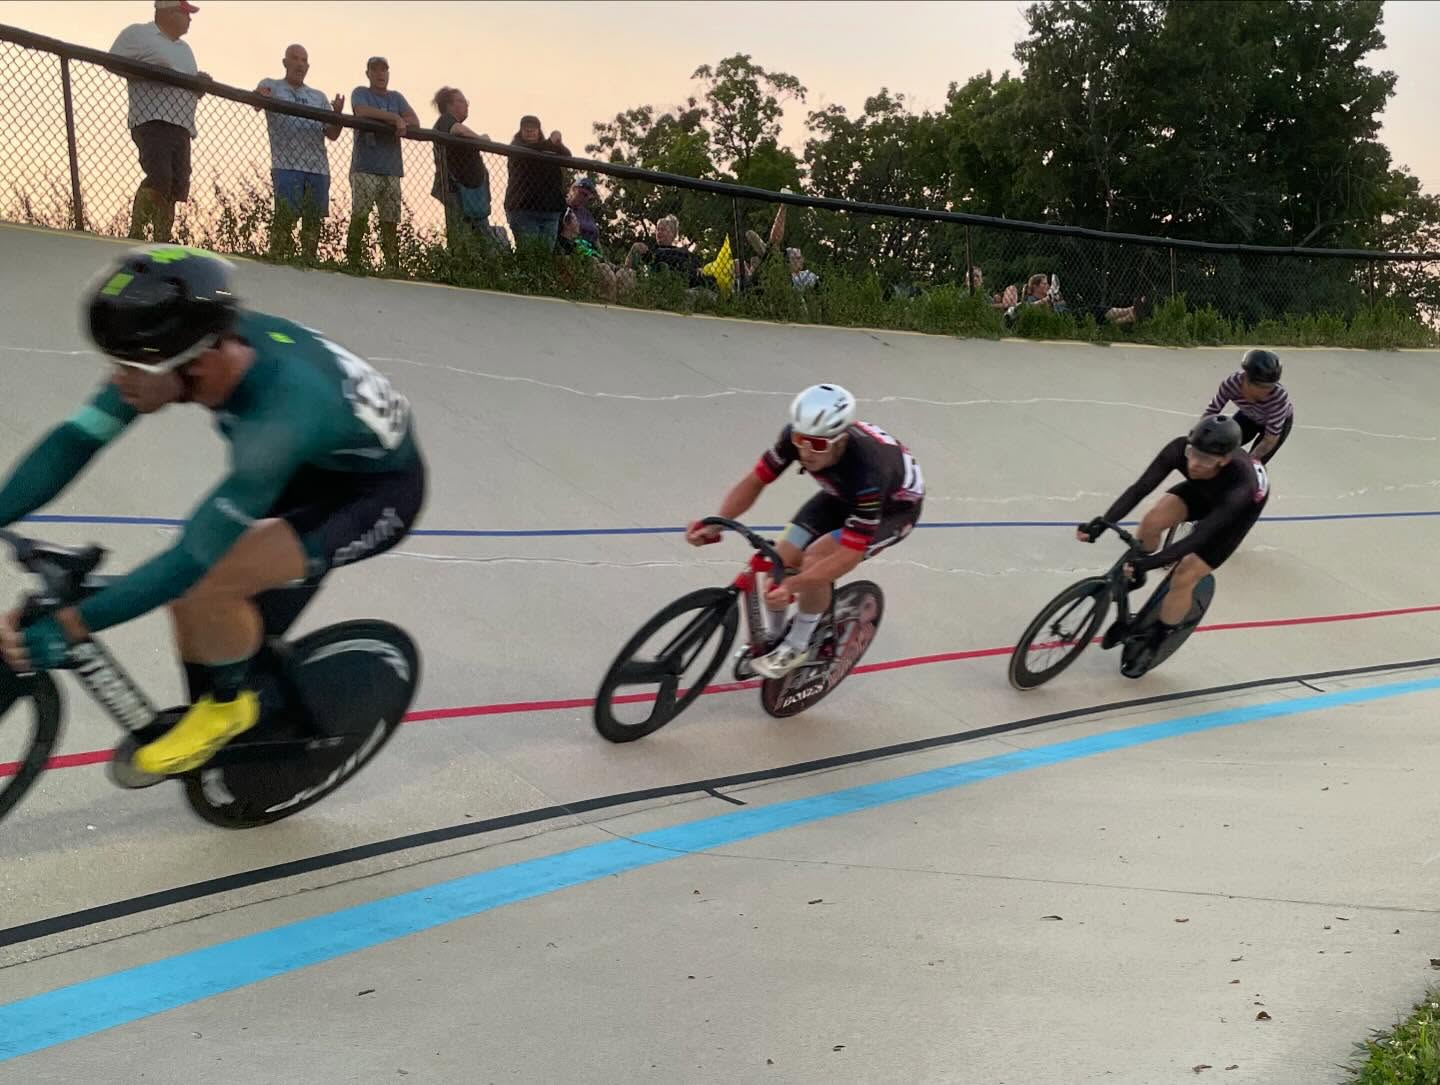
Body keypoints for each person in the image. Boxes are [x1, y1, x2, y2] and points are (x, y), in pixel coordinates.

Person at [0, 245, 426, 776]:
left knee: (205, 587)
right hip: (311, 461)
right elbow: (75, 442)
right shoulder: (198, 346)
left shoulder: (276, 423)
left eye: (131, 368)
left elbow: (189, 562)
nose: (118, 380)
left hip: (372, 495)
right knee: (197, 604)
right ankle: (230, 678)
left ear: (197, 362)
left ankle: (229, 708)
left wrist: (68, 626)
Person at [686, 384, 924, 678]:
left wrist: (794, 586)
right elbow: (755, 481)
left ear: (839, 440)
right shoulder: (793, 439)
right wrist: (715, 521)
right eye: (801, 440)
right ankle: (773, 640)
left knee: (815, 561)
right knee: (781, 557)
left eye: (818, 445)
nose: (806, 452)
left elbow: (848, 555)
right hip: (839, 495)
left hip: (892, 510)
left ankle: (798, 645)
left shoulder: (868, 471)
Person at [1077, 414, 1270, 653]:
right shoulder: (1180, 449)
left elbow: (1198, 538)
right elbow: (1140, 489)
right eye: (1193, 454)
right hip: (1204, 490)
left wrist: (1149, 563)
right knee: (1151, 521)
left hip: (1235, 511)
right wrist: (1104, 522)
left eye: (1205, 459)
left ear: (1224, 460)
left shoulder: (1242, 487)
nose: (1194, 464)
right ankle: (1135, 579)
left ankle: (1160, 634)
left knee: (1185, 574)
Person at [1203, 348, 1293, 463]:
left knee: (1253, 465)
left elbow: (1269, 439)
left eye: (1269, 388)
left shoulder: (1278, 397)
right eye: (1260, 387)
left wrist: (1250, 462)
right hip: (1248, 415)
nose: (1265, 394)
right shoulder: (1231, 384)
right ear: (1245, 378)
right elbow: (1211, 412)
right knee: (1219, 447)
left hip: (1277, 423)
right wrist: (1199, 440)